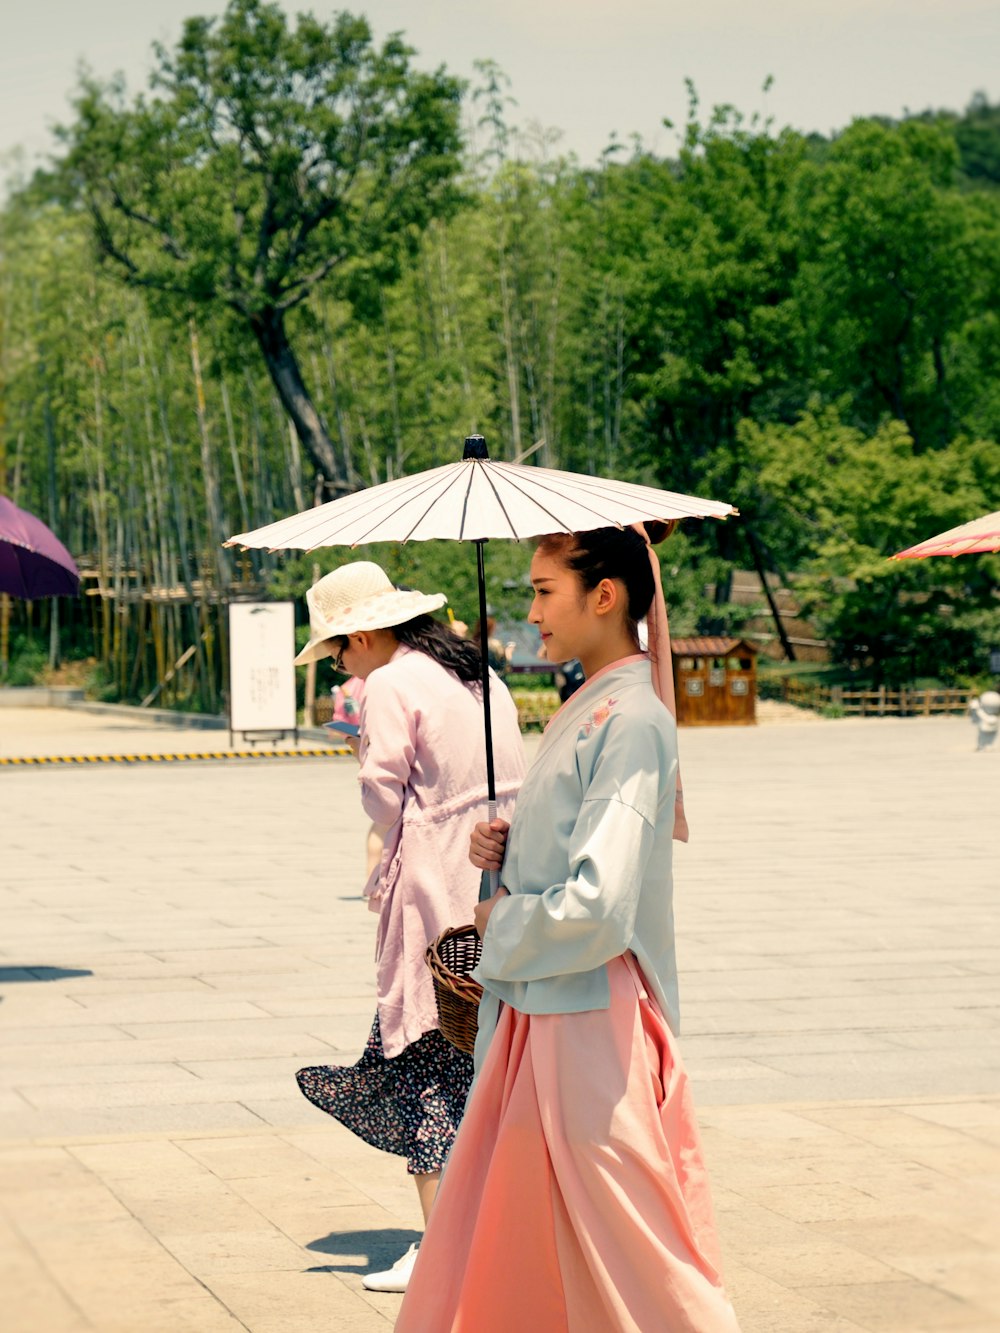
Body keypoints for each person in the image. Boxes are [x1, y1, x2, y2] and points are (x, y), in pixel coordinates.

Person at [396, 525, 741, 1332]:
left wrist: (501, 916)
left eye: (545, 591)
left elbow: (600, 901)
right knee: (532, 1226)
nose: (533, 611)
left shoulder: (631, 719)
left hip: (591, 1014)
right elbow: (579, 853)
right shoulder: (592, 706)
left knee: (633, 1241)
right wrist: (511, 846)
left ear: (606, 595)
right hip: (551, 1003)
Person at [292, 561, 525, 1292]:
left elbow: (383, 796)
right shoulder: (473, 667)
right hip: (499, 866)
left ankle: (444, 1245)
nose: (340, 665)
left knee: (426, 1061)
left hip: (434, 881)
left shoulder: (390, 682)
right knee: (474, 1054)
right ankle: (484, 1231)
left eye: (337, 651)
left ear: (361, 635)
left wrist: (363, 754)